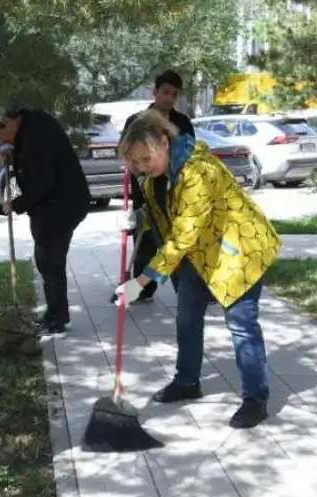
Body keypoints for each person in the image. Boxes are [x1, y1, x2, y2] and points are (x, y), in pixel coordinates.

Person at [114, 110, 281, 428]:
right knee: (187, 317)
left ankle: (255, 399)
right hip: (198, 254)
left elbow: (183, 233)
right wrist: (138, 219)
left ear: (164, 142)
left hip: (237, 252)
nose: (141, 168)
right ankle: (188, 381)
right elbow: (164, 215)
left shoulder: (198, 172)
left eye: (145, 159)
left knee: (242, 325)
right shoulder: (155, 179)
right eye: (135, 163)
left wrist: (143, 279)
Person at [0, 106, 91, 335]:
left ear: (6, 122)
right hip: (51, 203)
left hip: (61, 203)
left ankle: (57, 319)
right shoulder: (26, 128)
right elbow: (17, 179)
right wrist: (9, 163)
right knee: (47, 259)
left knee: (49, 259)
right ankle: (54, 314)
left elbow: (40, 185)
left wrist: (15, 204)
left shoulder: (36, 138)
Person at [122, 69, 196, 302]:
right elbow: (126, 154)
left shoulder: (182, 122)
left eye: (174, 94)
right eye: (165, 92)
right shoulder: (136, 121)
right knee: (145, 240)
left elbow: (190, 155)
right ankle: (142, 289)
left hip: (175, 192)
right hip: (145, 192)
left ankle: (190, 287)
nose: (169, 98)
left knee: (178, 240)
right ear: (155, 92)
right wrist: (141, 175)